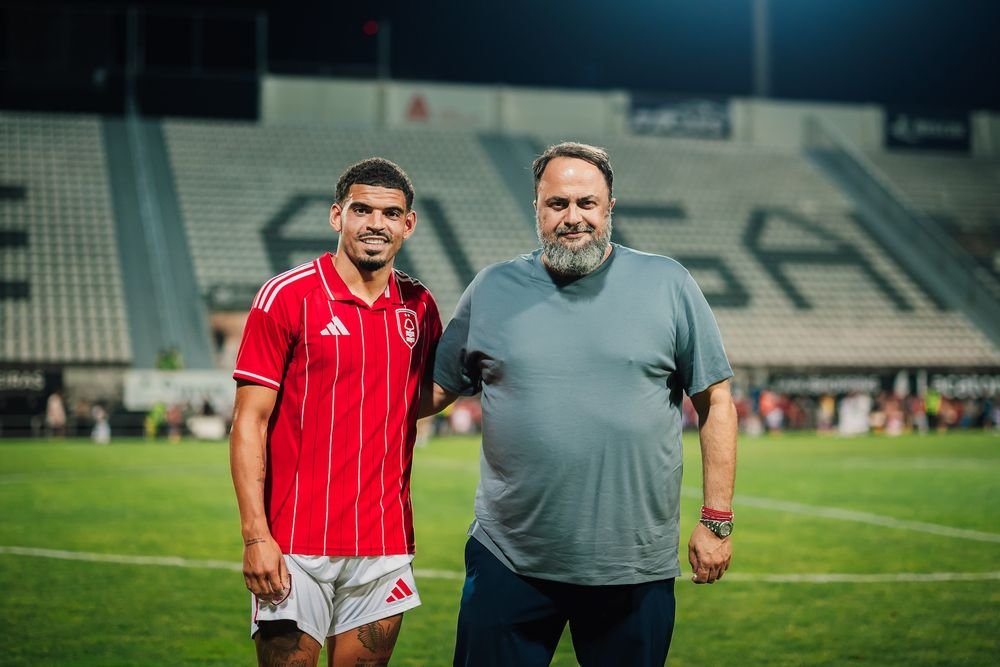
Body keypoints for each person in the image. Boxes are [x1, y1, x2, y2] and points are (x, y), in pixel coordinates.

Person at [424, 142, 738, 666]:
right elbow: (435, 391)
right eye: (558, 204)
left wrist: (717, 519)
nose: (573, 218)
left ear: (609, 207)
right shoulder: (492, 287)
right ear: (537, 209)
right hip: (510, 559)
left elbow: (716, 402)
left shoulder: (669, 284)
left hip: (633, 565)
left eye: (587, 203)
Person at [230, 157, 441, 667]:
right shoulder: (287, 296)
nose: (376, 223)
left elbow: (424, 394)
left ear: (408, 224)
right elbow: (248, 424)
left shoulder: (420, 305)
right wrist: (256, 536)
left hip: (385, 545)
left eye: (390, 214)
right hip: (295, 545)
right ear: (336, 216)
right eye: (361, 209)